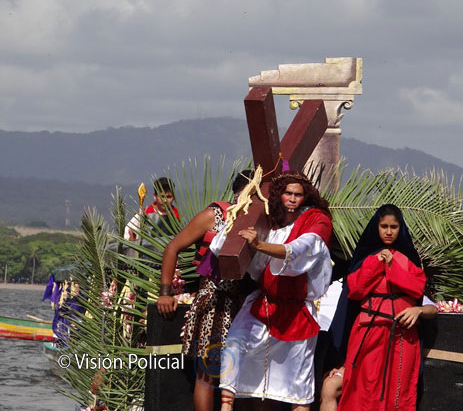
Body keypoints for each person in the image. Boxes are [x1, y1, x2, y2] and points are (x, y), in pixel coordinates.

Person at [213, 171, 333, 411]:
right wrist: (241, 219)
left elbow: (300, 249)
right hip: (263, 304)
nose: (293, 199)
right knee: (235, 344)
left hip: (296, 312)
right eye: (288, 193)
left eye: (298, 194)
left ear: (306, 196)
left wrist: (259, 244)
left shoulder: (316, 220)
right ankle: (226, 407)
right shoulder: (268, 218)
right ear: (279, 194)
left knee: (298, 384)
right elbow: (221, 244)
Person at [156, 171, 254, 411]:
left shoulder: (261, 223)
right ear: (238, 193)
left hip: (246, 305)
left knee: (244, 372)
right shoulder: (215, 215)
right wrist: (166, 293)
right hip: (214, 302)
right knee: (208, 372)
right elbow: (172, 248)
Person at [329, 204, 427, 411]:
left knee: (398, 390)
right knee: (364, 388)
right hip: (368, 332)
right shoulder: (365, 258)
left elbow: (417, 288)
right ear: (377, 227)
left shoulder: (409, 259)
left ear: (400, 228)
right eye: (384, 226)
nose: (389, 232)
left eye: (394, 227)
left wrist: (392, 266)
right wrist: (376, 264)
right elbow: (355, 290)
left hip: (401, 334)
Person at [319, 296, 437, 411]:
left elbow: (433, 308)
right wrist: (344, 364)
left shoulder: (406, 292)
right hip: (362, 359)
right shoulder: (364, 293)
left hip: (393, 360)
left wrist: (418, 310)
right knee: (330, 386)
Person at [125, 177, 180, 241]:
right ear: (155, 196)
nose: (165, 200)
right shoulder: (144, 215)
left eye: (168, 197)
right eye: (162, 196)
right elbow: (128, 237)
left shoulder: (177, 216)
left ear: (173, 197)